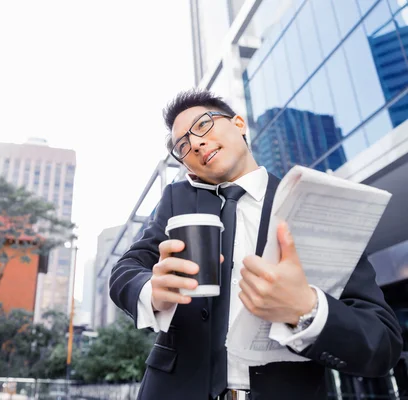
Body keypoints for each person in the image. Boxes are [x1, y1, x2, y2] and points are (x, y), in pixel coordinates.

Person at [109, 89, 403, 400]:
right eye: (182, 146)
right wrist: (151, 290)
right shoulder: (176, 199)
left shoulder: (314, 203)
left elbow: (381, 341)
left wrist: (307, 309)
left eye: (203, 125)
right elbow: (125, 270)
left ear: (238, 124)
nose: (195, 144)